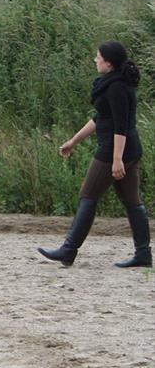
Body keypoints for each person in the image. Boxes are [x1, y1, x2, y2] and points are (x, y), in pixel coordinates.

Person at [39, 40, 150, 268]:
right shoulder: (114, 83)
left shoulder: (117, 87)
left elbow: (121, 125)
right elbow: (101, 117)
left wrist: (117, 159)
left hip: (113, 150)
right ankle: (143, 254)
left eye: (98, 57)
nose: (95, 60)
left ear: (108, 63)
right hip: (128, 150)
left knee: (88, 196)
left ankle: (68, 250)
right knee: (132, 201)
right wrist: (74, 140)